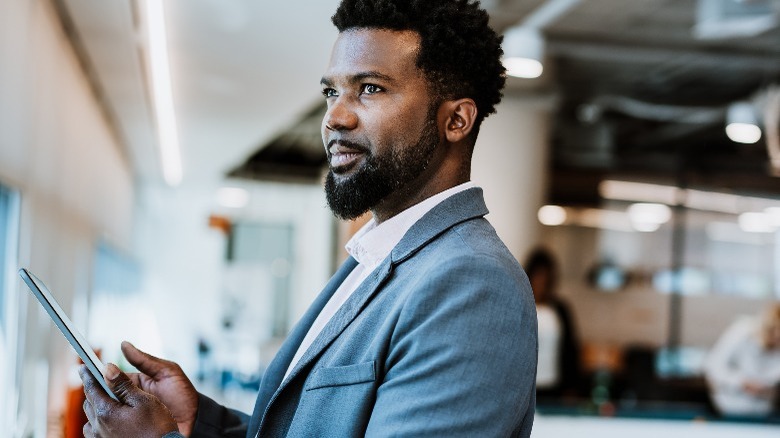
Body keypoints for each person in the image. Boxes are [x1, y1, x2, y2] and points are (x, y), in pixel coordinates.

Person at [79, 0, 538, 436]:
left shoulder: (471, 282)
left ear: (455, 120)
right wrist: (200, 423)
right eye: (331, 91)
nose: (334, 117)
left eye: (370, 89)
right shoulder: (375, 256)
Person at [524, 247, 581, 399]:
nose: (541, 281)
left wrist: (571, 387)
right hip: (524, 387)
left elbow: (570, 349)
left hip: (554, 386)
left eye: (546, 276)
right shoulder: (520, 306)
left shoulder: (560, 309)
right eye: (538, 275)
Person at [704, 303, 780, 417]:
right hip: (729, 407)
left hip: (763, 411)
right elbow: (713, 365)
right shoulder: (742, 330)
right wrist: (741, 382)